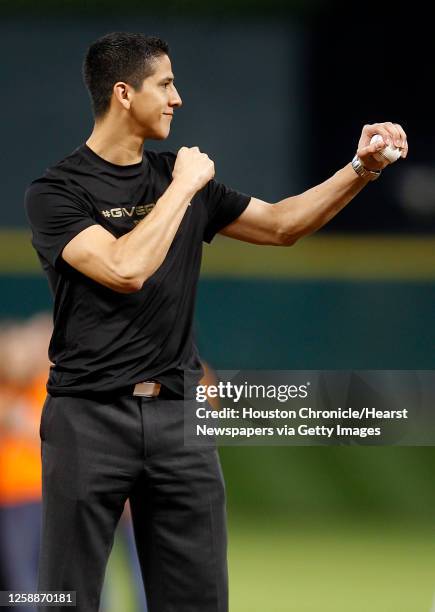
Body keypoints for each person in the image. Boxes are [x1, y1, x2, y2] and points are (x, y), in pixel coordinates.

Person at [24, 32, 408, 612]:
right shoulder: (57, 192)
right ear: (123, 94)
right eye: (167, 84)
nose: (178, 98)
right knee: (64, 599)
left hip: (181, 420)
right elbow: (125, 269)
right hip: (87, 417)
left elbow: (282, 224)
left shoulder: (184, 182)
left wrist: (362, 167)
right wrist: (182, 186)